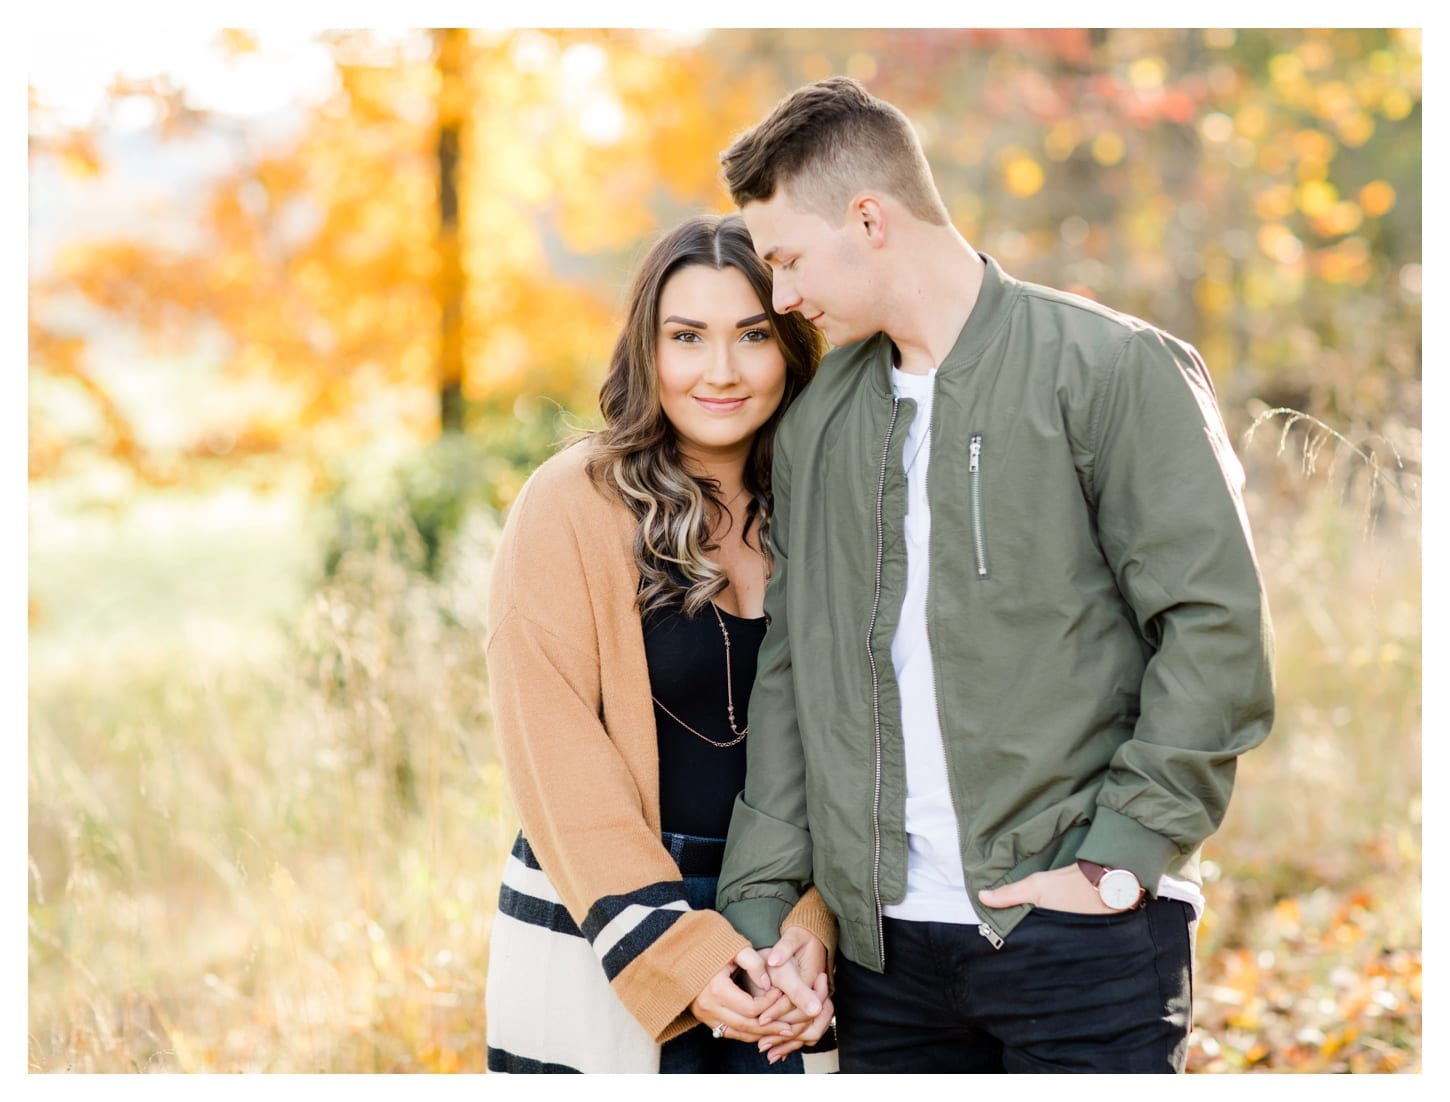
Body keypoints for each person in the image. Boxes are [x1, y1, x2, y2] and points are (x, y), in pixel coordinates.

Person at [714, 77, 1276, 1074]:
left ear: (870, 217)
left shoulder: (1111, 369)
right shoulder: (817, 425)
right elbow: (795, 675)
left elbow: (1213, 628)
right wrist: (763, 905)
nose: (786, 296)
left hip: (1078, 941)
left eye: (789, 259)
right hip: (884, 959)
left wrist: (1116, 863)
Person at [483, 213, 837, 1073]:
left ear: (790, 345)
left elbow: (864, 745)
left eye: (752, 335)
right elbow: (554, 752)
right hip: (603, 915)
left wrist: (816, 925)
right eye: (688, 337)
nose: (721, 371)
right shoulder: (572, 501)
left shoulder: (831, 508)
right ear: (648, 350)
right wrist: (672, 947)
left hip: (788, 942)